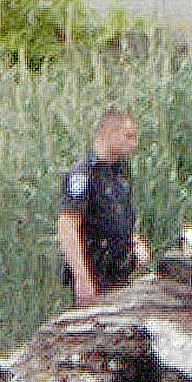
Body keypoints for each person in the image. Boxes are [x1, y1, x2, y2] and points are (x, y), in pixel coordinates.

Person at [55, 107, 147, 304]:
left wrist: (135, 243)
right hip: (95, 273)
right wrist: (82, 279)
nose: (134, 144)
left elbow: (121, 216)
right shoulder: (84, 174)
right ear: (109, 134)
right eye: (128, 136)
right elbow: (67, 226)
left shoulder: (120, 170)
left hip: (120, 272)